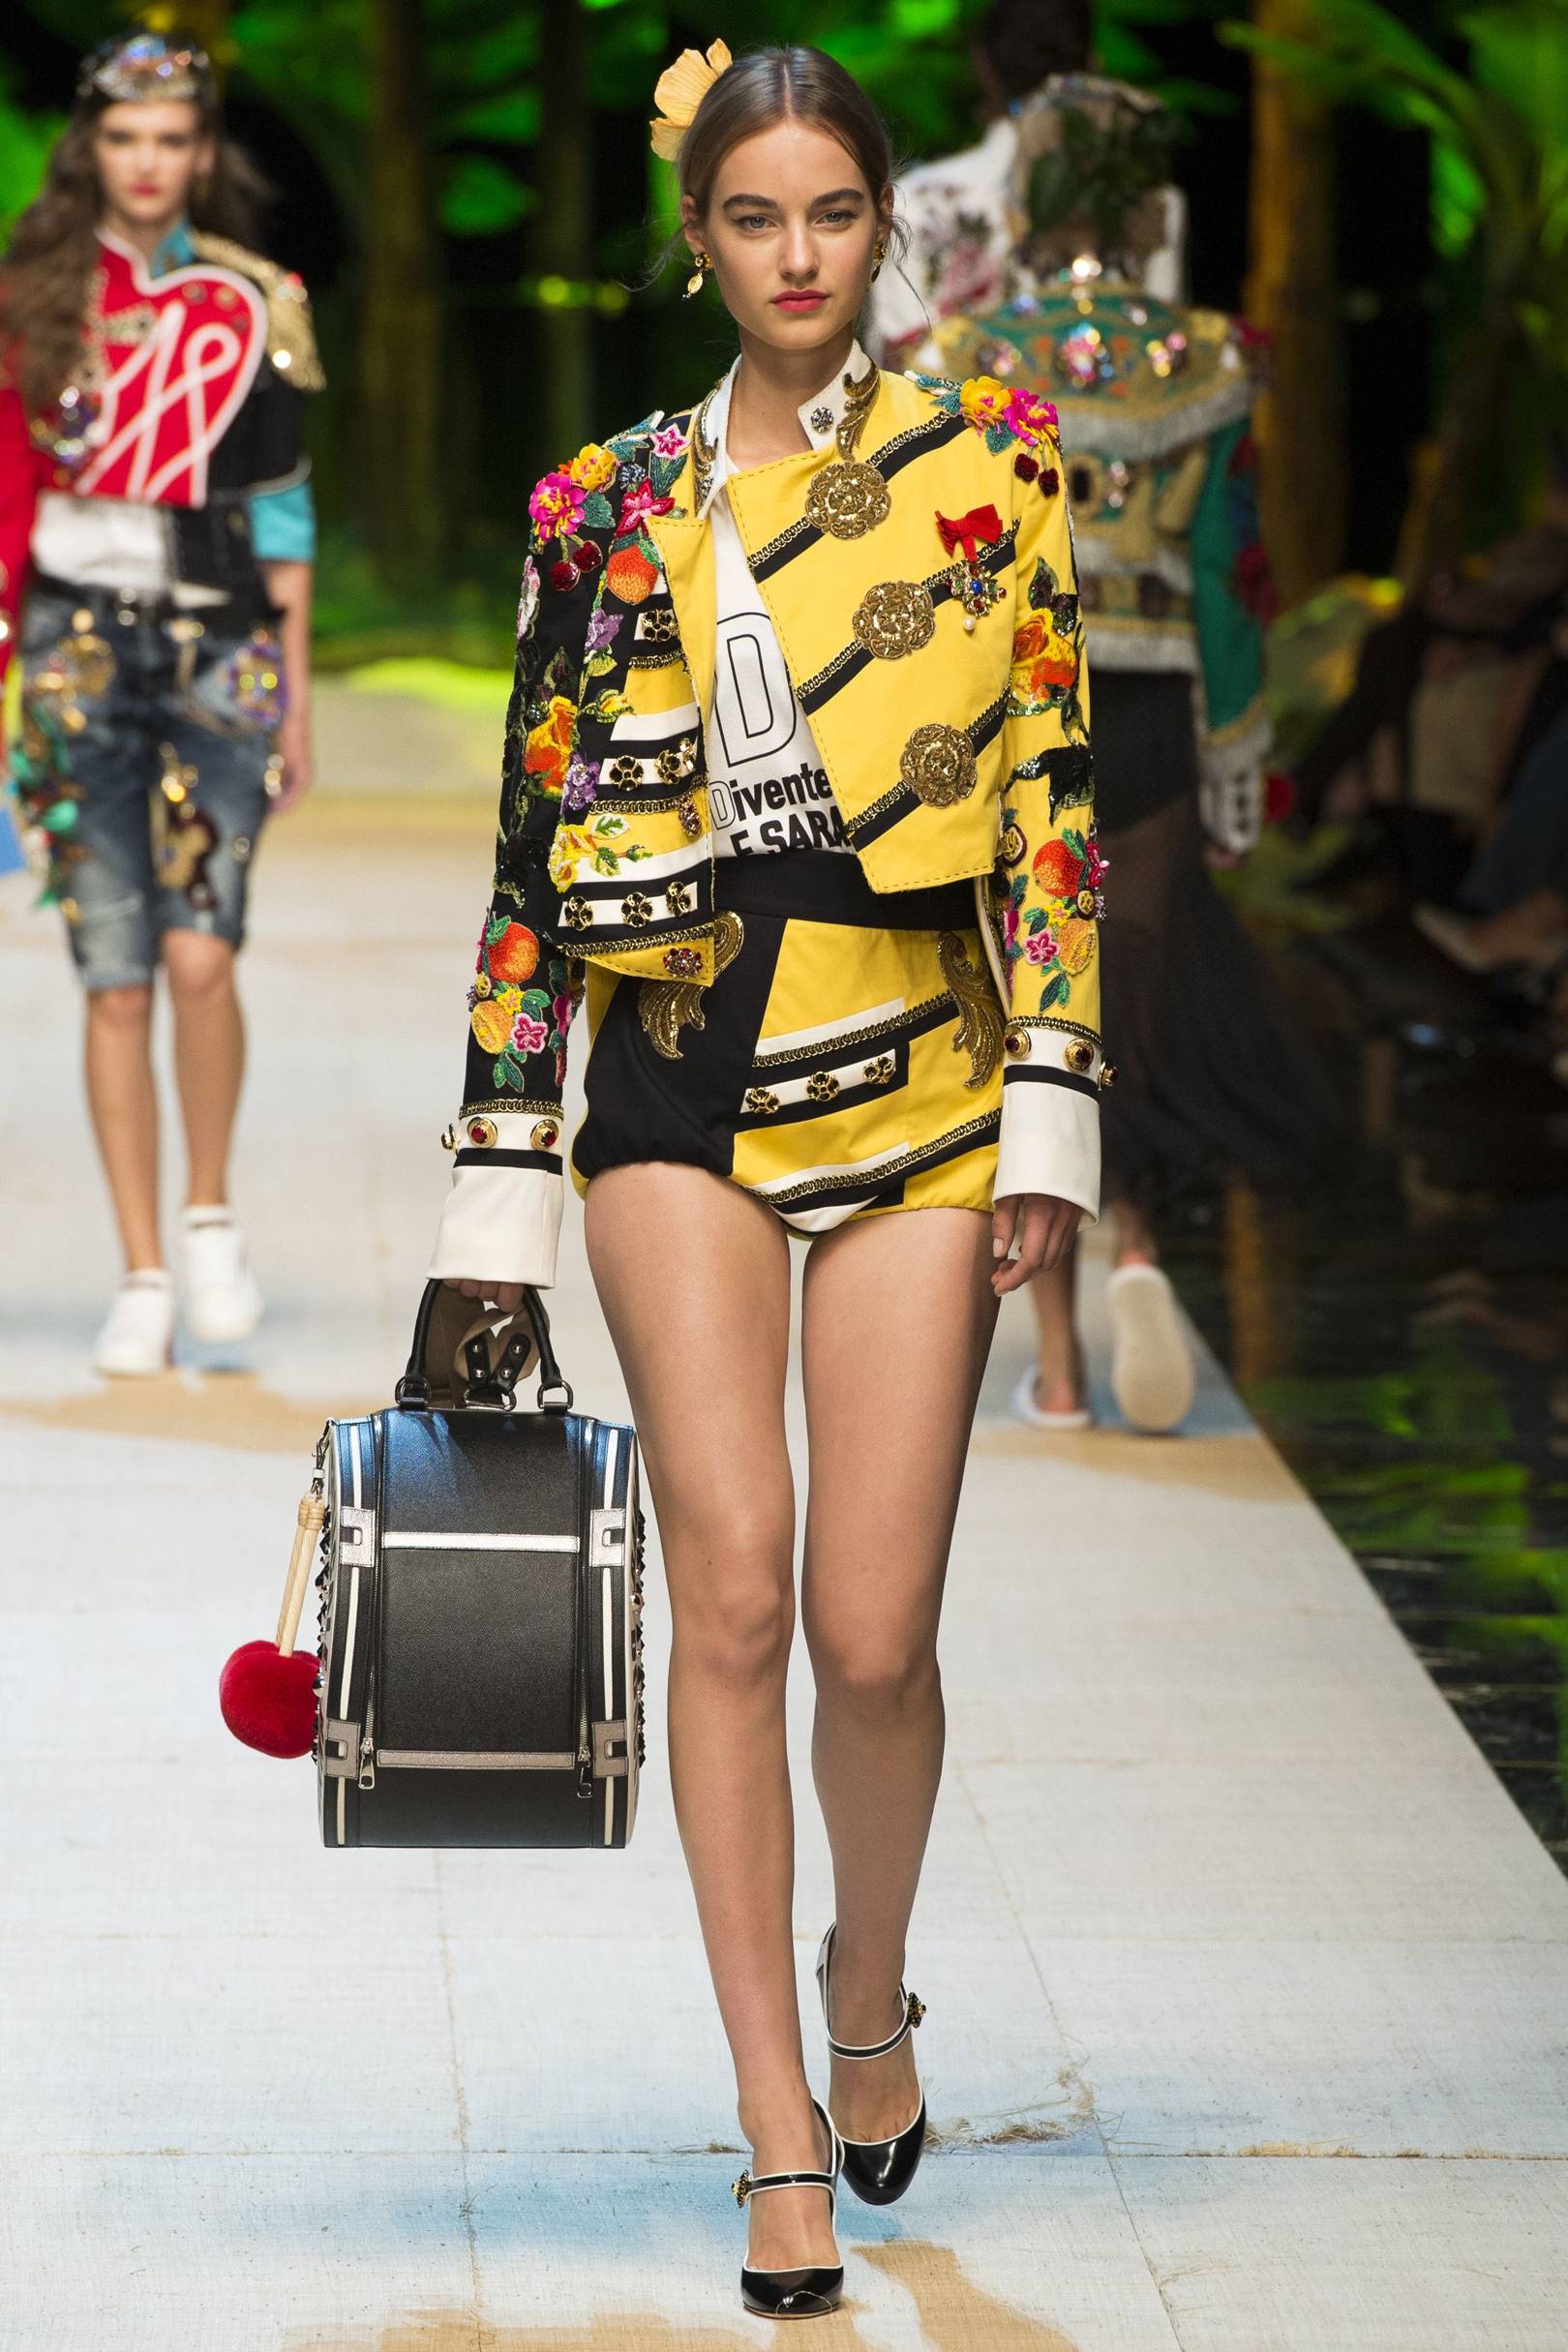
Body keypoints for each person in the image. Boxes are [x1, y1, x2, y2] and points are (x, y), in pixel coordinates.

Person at [429, 41, 1105, 2320]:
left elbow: (1049, 799)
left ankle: (868, 1986)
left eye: (831, 212)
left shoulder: (989, 462)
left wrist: (1057, 1101)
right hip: (676, 1077)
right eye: (753, 217)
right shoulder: (601, 502)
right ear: (699, 236)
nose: (796, 255)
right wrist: (498, 1188)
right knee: (732, 1592)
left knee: (873, 1631)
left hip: (923, 1068)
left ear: (883, 220)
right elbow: (529, 856)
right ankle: (777, 2127)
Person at [926, 72, 1341, 1432]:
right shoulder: (1208, 357)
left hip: (1027, 703)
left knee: (1038, 1002)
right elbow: (1230, 574)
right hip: (1156, 710)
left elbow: (958, 564)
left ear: (1032, 196)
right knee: (1139, 999)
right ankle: (1143, 1250)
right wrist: (1236, 755)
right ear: (1149, 204)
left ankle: (1056, 1366)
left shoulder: (974, 349)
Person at [0, 31, 321, 1373]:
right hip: (72, 648)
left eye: (172, 139)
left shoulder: (258, 301)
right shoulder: (32, 293)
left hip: (219, 644)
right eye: (124, 138)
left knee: (203, 953)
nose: (146, 162)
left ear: (201, 152)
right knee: (117, 971)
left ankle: (209, 1216)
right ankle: (141, 1269)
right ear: (93, 147)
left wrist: (295, 696)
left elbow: (284, 510)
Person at [864, 0, 1188, 367]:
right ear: (1093, 64)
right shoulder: (1151, 201)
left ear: (982, 66)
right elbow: (1169, 360)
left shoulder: (913, 202)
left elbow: (896, 367)